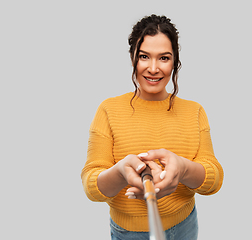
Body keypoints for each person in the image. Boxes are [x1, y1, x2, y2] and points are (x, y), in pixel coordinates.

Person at [81, 14, 224, 240]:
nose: (154, 68)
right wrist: (120, 172)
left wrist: (183, 169)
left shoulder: (194, 111)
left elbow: (214, 179)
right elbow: (92, 186)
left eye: (164, 58)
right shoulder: (108, 110)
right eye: (144, 56)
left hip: (184, 225)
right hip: (128, 233)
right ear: (132, 59)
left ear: (175, 61)